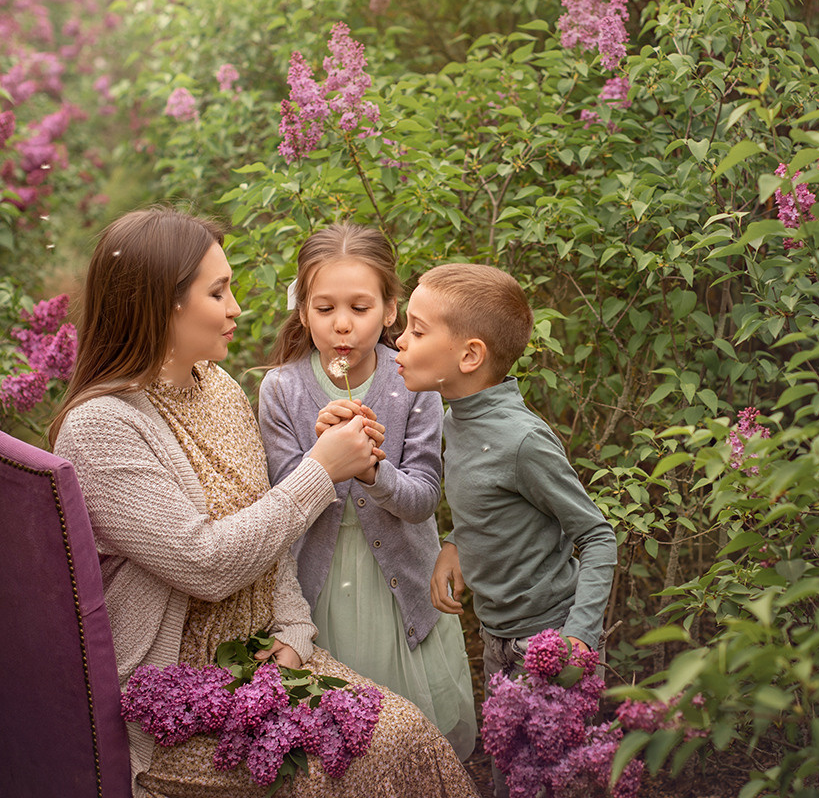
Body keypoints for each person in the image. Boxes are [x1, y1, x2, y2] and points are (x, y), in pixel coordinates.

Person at [50, 208, 479, 798]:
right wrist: (322, 468)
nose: (237, 308)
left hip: (270, 655)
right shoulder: (102, 427)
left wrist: (296, 630)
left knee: (411, 738)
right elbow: (204, 563)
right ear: (161, 304)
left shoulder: (217, 385)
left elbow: (269, 529)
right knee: (373, 757)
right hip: (181, 688)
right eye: (218, 291)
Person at [394, 262, 617, 798]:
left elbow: (598, 536)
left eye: (417, 330)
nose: (399, 340)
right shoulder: (455, 420)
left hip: (551, 642)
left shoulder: (522, 442)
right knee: (507, 778)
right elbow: (492, 509)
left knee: (557, 784)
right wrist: (454, 542)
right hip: (498, 639)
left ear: (470, 356)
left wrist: (578, 638)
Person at [258, 222, 476, 760]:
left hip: (402, 580)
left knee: (415, 741)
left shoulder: (413, 386)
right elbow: (285, 508)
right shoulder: (281, 389)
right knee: (341, 743)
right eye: (325, 308)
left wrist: (371, 471)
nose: (342, 326)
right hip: (323, 585)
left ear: (390, 308)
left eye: (359, 307)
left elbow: (424, 498)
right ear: (303, 311)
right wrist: (323, 461)